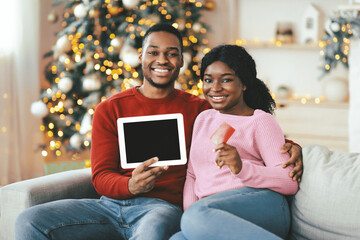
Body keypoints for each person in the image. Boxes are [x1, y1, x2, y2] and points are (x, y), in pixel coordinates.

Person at [15, 24, 302, 240]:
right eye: (153, 52)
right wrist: (130, 186)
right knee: (29, 220)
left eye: (171, 54)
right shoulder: (109, 109)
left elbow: (242, 122)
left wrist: (290, 145)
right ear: (140, 56)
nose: (162, 60)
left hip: (161, 208)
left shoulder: (199, 109)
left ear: (180, 61)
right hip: (109, 205)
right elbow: (100, 176)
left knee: (155, 230)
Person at [170, 45, 299, 240]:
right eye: (208, 80)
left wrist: (241, 168)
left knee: (194, 218)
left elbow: (289, 181)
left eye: (226, 80)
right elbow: (192, 175)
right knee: (178, 238)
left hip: (262, 204)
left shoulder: (260, 121)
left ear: (244, 83)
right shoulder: (203, 119)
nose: (215, 88)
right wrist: (191, 217)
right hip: (211, 212)